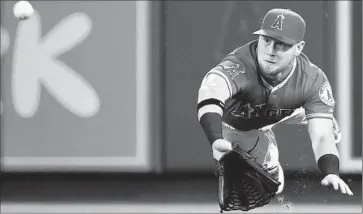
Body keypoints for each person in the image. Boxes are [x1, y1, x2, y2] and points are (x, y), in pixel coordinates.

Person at [197, 8, 353, 196]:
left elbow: (321, 137)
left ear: (299, 48)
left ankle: (316, 116)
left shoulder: (312, 79)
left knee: (322, 126)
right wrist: (215, 139)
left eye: (281, 44)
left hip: (288, 109)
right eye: (266, 40)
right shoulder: (238, 65)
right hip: (239, 122)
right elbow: (209, 96)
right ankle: (267, 150)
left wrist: (330, 172)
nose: (270, 51)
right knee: (274, 185)